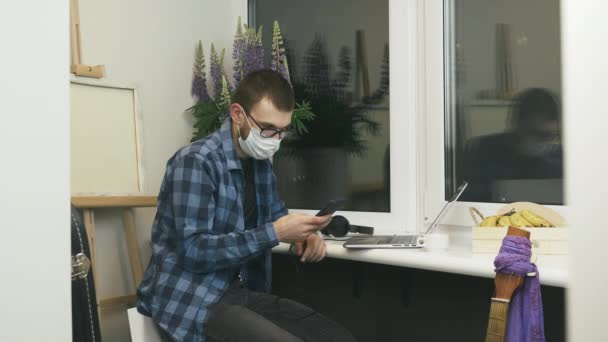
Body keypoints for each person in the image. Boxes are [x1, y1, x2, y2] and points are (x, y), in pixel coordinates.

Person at [137, 70, 356, 342]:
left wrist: (304, 236)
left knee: (337, 337)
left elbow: (275, 216)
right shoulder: (196, 162)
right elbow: (193, 251)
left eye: (281, 132)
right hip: (191, 297)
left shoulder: (260, 165)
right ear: (237, 114)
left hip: (239, 293)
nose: (274, 140)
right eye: (267, 128)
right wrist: (275, 232)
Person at [461, 87, 563, 202]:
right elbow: (469, 202)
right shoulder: (484, 152)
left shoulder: (561, 161)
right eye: (536, 134)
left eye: (551, 136)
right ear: (518, 124)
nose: (542, 143)